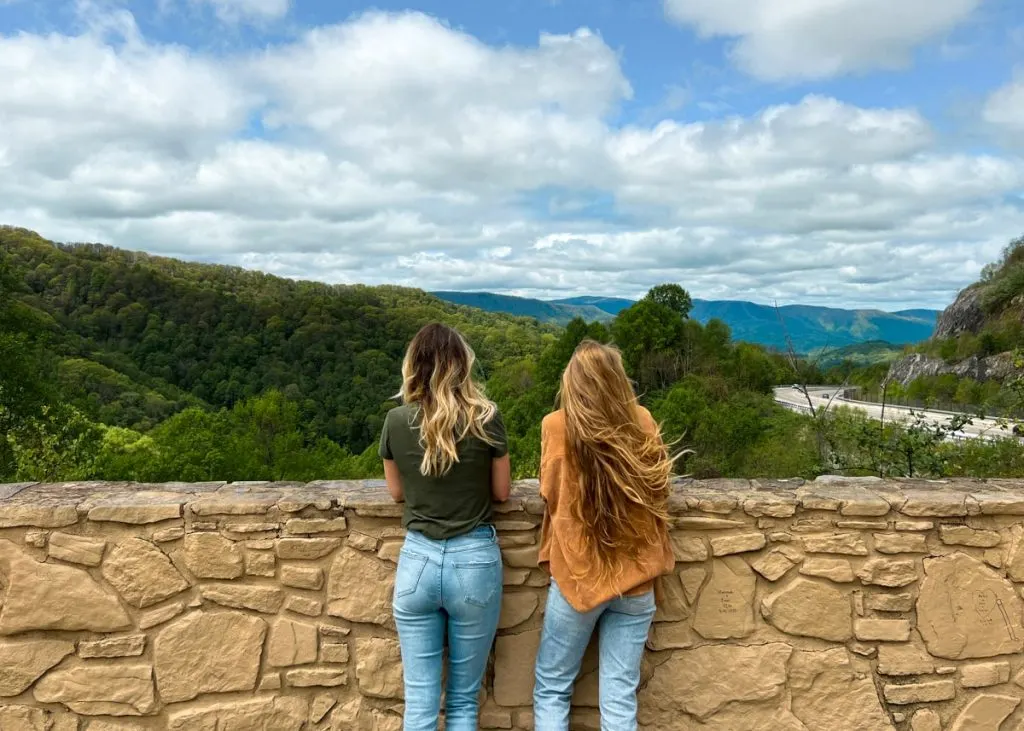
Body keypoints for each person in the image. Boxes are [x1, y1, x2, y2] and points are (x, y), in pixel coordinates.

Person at [533, 340, 677, 731]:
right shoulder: (642, 420)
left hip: (578, 578)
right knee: (618, 696)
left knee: (552, 688)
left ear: (572, 381)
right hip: (636, 576)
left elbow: (550, 492)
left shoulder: (556, 424)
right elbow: (660, 489)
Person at [380, 322, 512, 731]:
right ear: (461, 365)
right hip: (473, 559)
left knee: (419, 704)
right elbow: (503, 493)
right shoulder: (486, 418)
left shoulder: (396, 421)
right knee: (461, 703)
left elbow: (396, 493)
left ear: (413, 367)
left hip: (417, 561)